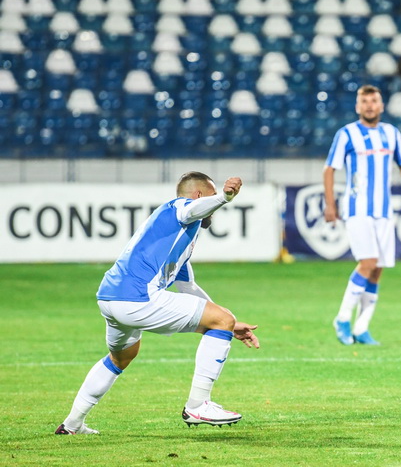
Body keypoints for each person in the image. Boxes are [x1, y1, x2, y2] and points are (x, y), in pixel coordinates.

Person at [55, 173, 259, 435]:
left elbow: (188, 287)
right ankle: (198, 405)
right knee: (221, 318)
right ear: (198, 196)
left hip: (111, 298)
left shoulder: (182, 238)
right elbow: (191, 209)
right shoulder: (177, 208)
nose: (213, 211)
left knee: (121, 357)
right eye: (209, 198)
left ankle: (71, 425)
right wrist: (224, 197)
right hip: (136, 297)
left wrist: (228, 324)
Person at [323, 84, 401, 346]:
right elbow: (329, 169)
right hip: (357, 209)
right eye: (365, 102)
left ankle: (362, 328)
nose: (370, 105)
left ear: (381, 106)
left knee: (377, 269)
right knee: (368, 263)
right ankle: (343, 318)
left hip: (383, 211)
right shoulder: (346, 134)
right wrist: (330, 203)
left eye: (374, 101)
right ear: (358, 107)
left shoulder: (392, 133)